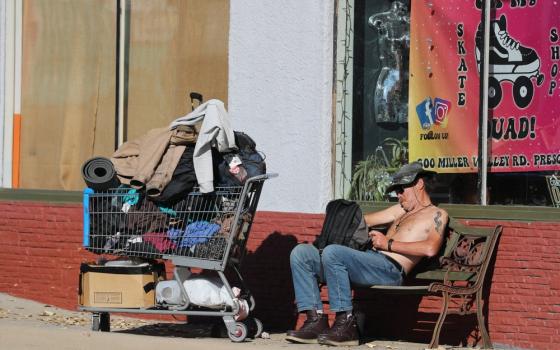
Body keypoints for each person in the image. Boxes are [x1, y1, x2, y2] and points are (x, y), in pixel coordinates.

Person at [286, 162, 449, 346]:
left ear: (419, 184)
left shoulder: (436, 214)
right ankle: (315, 320)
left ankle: (346, 324)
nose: (399, 195)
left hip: (391, 270)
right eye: (396, 191)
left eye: (402, 190)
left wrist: (387, 243)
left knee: (333, 253)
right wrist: (343, 220)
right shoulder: (400, 210)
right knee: (302, 253)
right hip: (369, 262)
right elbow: (362, 221)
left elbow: (430, 248)